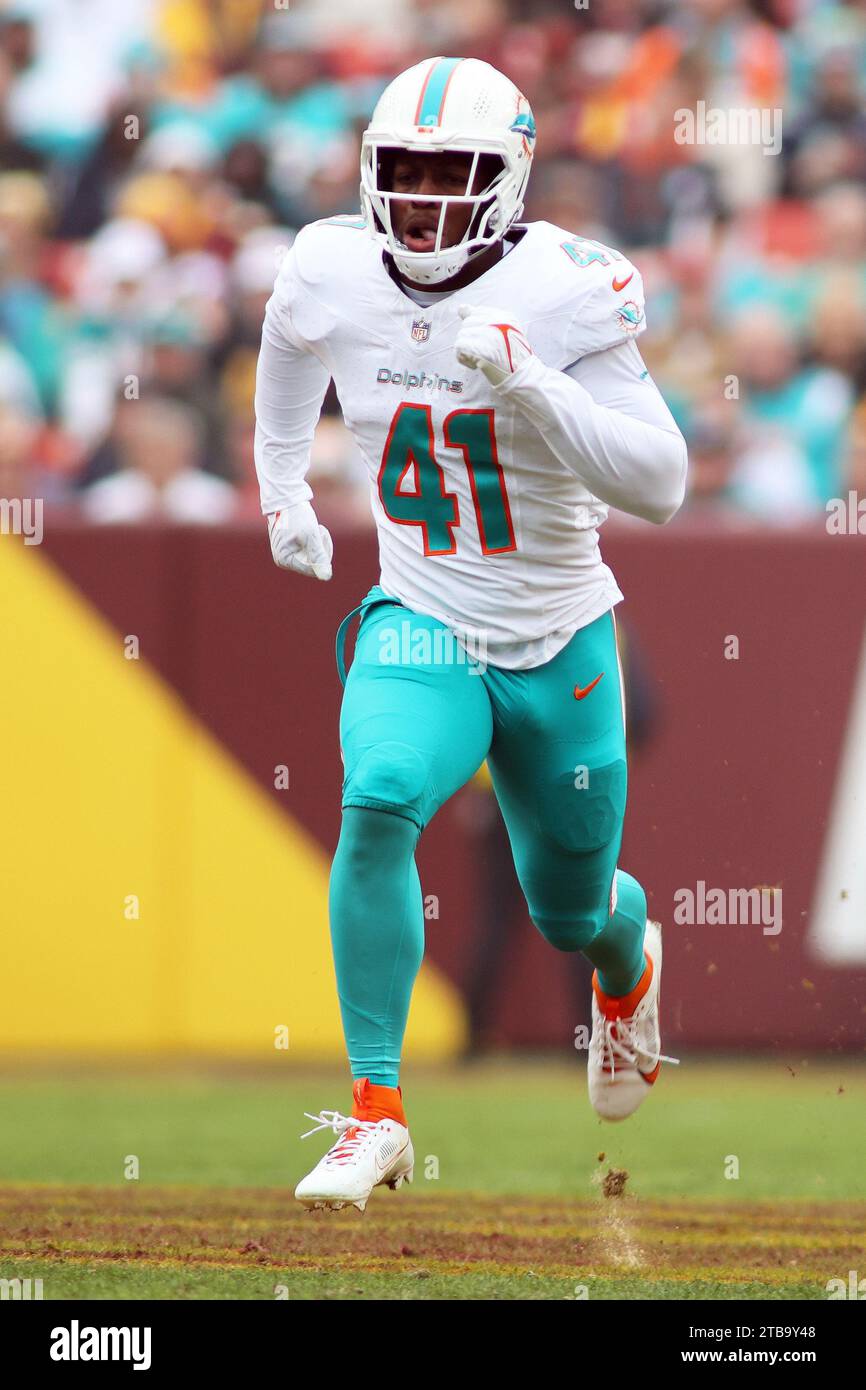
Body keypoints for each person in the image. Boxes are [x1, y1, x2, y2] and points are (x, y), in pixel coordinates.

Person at [254, 56, 687, 1213]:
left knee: (570, 912)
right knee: (379, 790)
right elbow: (288, 339)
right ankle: (375, 1109)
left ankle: (625, 962)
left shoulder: (566, 287)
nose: (425, 198)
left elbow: (663, 482)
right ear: (366, 173)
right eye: (403, 172)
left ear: (510, 178)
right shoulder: (330, 264)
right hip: (423, 616)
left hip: (558, 639)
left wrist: (536, 386)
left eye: (454, 173)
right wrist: (282, 489)